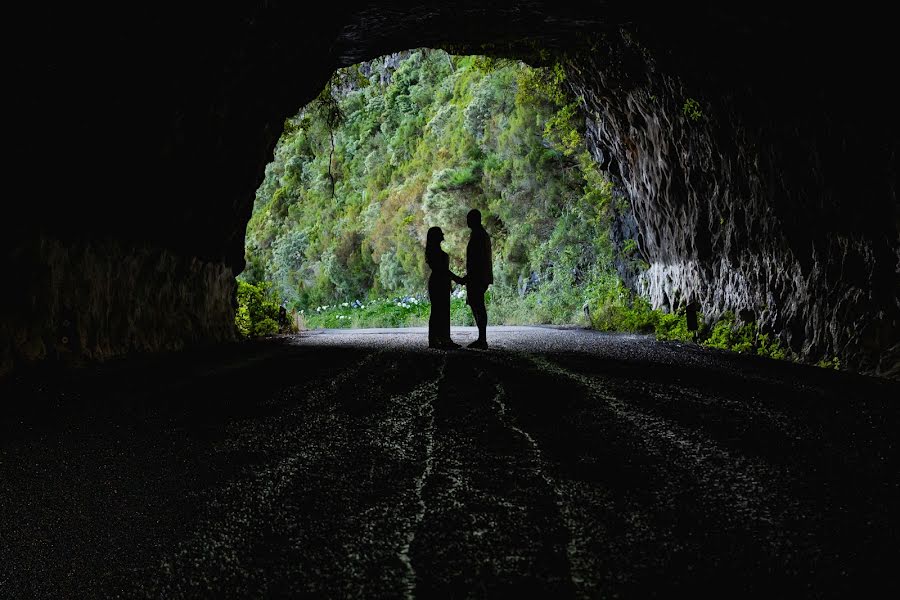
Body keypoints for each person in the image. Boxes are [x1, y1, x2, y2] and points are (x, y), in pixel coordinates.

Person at [425, 226, 463, 349]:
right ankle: (444, 340)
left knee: (438, 311)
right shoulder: (436, 253)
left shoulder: (432, 252)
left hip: (438, 282)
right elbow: (443, 270)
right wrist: (457, 279)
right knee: (440, 311)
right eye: (440, 234)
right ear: (436, 237)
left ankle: (436, 340)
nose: (443, 235)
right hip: (439, 282)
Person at [461, 209, 492, 348]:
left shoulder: (478, 236)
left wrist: (468, 277)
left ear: (474, 219)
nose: (467, 221)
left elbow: (477, 260)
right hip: (480, 276)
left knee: (478, 306)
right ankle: (481, 337)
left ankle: (482, 339)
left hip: (477, 277)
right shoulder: (480, 234)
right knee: (477, 305)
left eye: (469, 218)